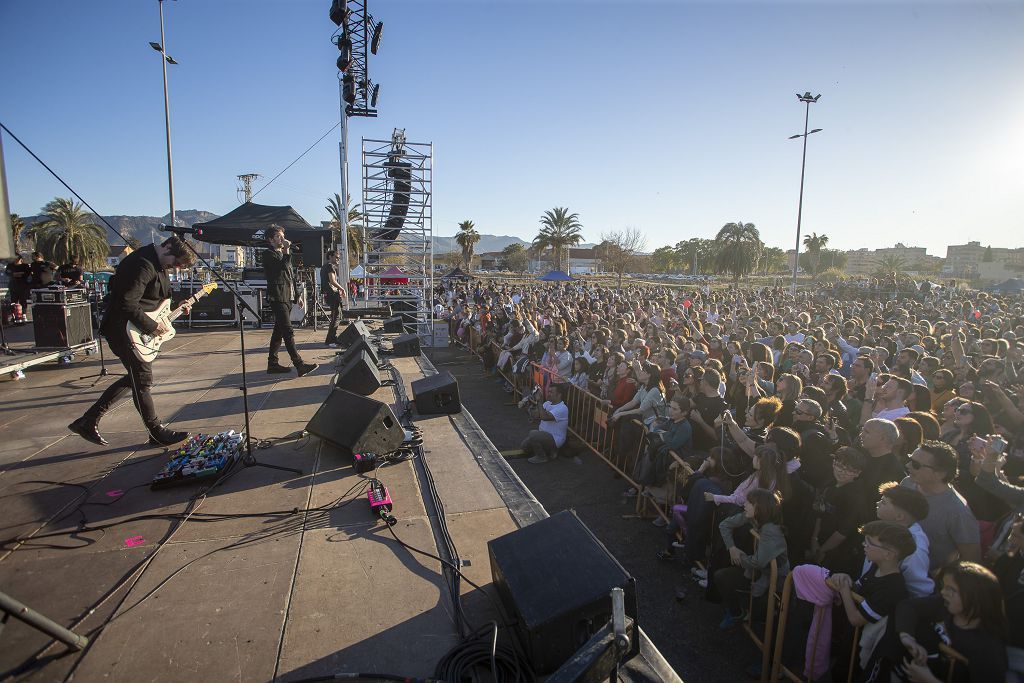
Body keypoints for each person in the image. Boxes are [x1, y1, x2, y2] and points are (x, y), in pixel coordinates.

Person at [68, 235, 196, 447]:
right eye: (175, 263)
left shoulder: (157, 264)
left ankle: (88, 420)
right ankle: (156, 432)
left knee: (136, 379)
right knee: (142, 380)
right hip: (124, 331)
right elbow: (127, 303)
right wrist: (152, 326)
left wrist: (176, 307)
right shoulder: (142, 264)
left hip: (133, 329)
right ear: (167, 248)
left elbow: (153, 300)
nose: (173, 268)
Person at [263, 224, 317, 376]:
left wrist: (297, 296)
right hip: (277, 297)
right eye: (278, 237)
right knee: (287, 331)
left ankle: (272, 364)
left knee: (278, 332)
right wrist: (286, 251)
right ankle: (299, 365)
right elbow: (280, 269)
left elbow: (290, 276)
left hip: (287, 296)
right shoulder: (269, 254)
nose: (282, 239)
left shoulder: (282, 254)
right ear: (271, 240)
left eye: (282, 236)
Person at [520, 383, 569, 464]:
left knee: (533, 434)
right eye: (548, 391)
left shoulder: (562, 408)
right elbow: (536, 415)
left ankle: (542, 457)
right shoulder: (547, 403)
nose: (548, 394)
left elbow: (544, 417)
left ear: (559, 395)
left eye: (551, 392)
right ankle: (551, 451)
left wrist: (539, 401)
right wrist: (526, 405)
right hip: (543, 435)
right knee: (524, 447)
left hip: (555, 439)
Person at [321, 250, 345, 346]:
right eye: (336, 257)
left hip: (329, 294)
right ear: (330, 256)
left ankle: (332, 337)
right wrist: (342, 289)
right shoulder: (330, 266)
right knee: (336, 317)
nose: (338, 259)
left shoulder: (324, 267)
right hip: (332, 294)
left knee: (336, 316)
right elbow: (332, 281)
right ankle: (330, 339)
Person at [4, 253, 30, 323]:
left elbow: (27, 273)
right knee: (13, 301)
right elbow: (7, 272)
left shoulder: (25, 265)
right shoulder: (10, 265)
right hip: (13, 285)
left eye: (17, 259)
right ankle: (14, 315)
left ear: (20, 259)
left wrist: (19, 274)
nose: (15, 260)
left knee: (23, 300)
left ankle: (24, 315)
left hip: (22, 286)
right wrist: (14, 274)